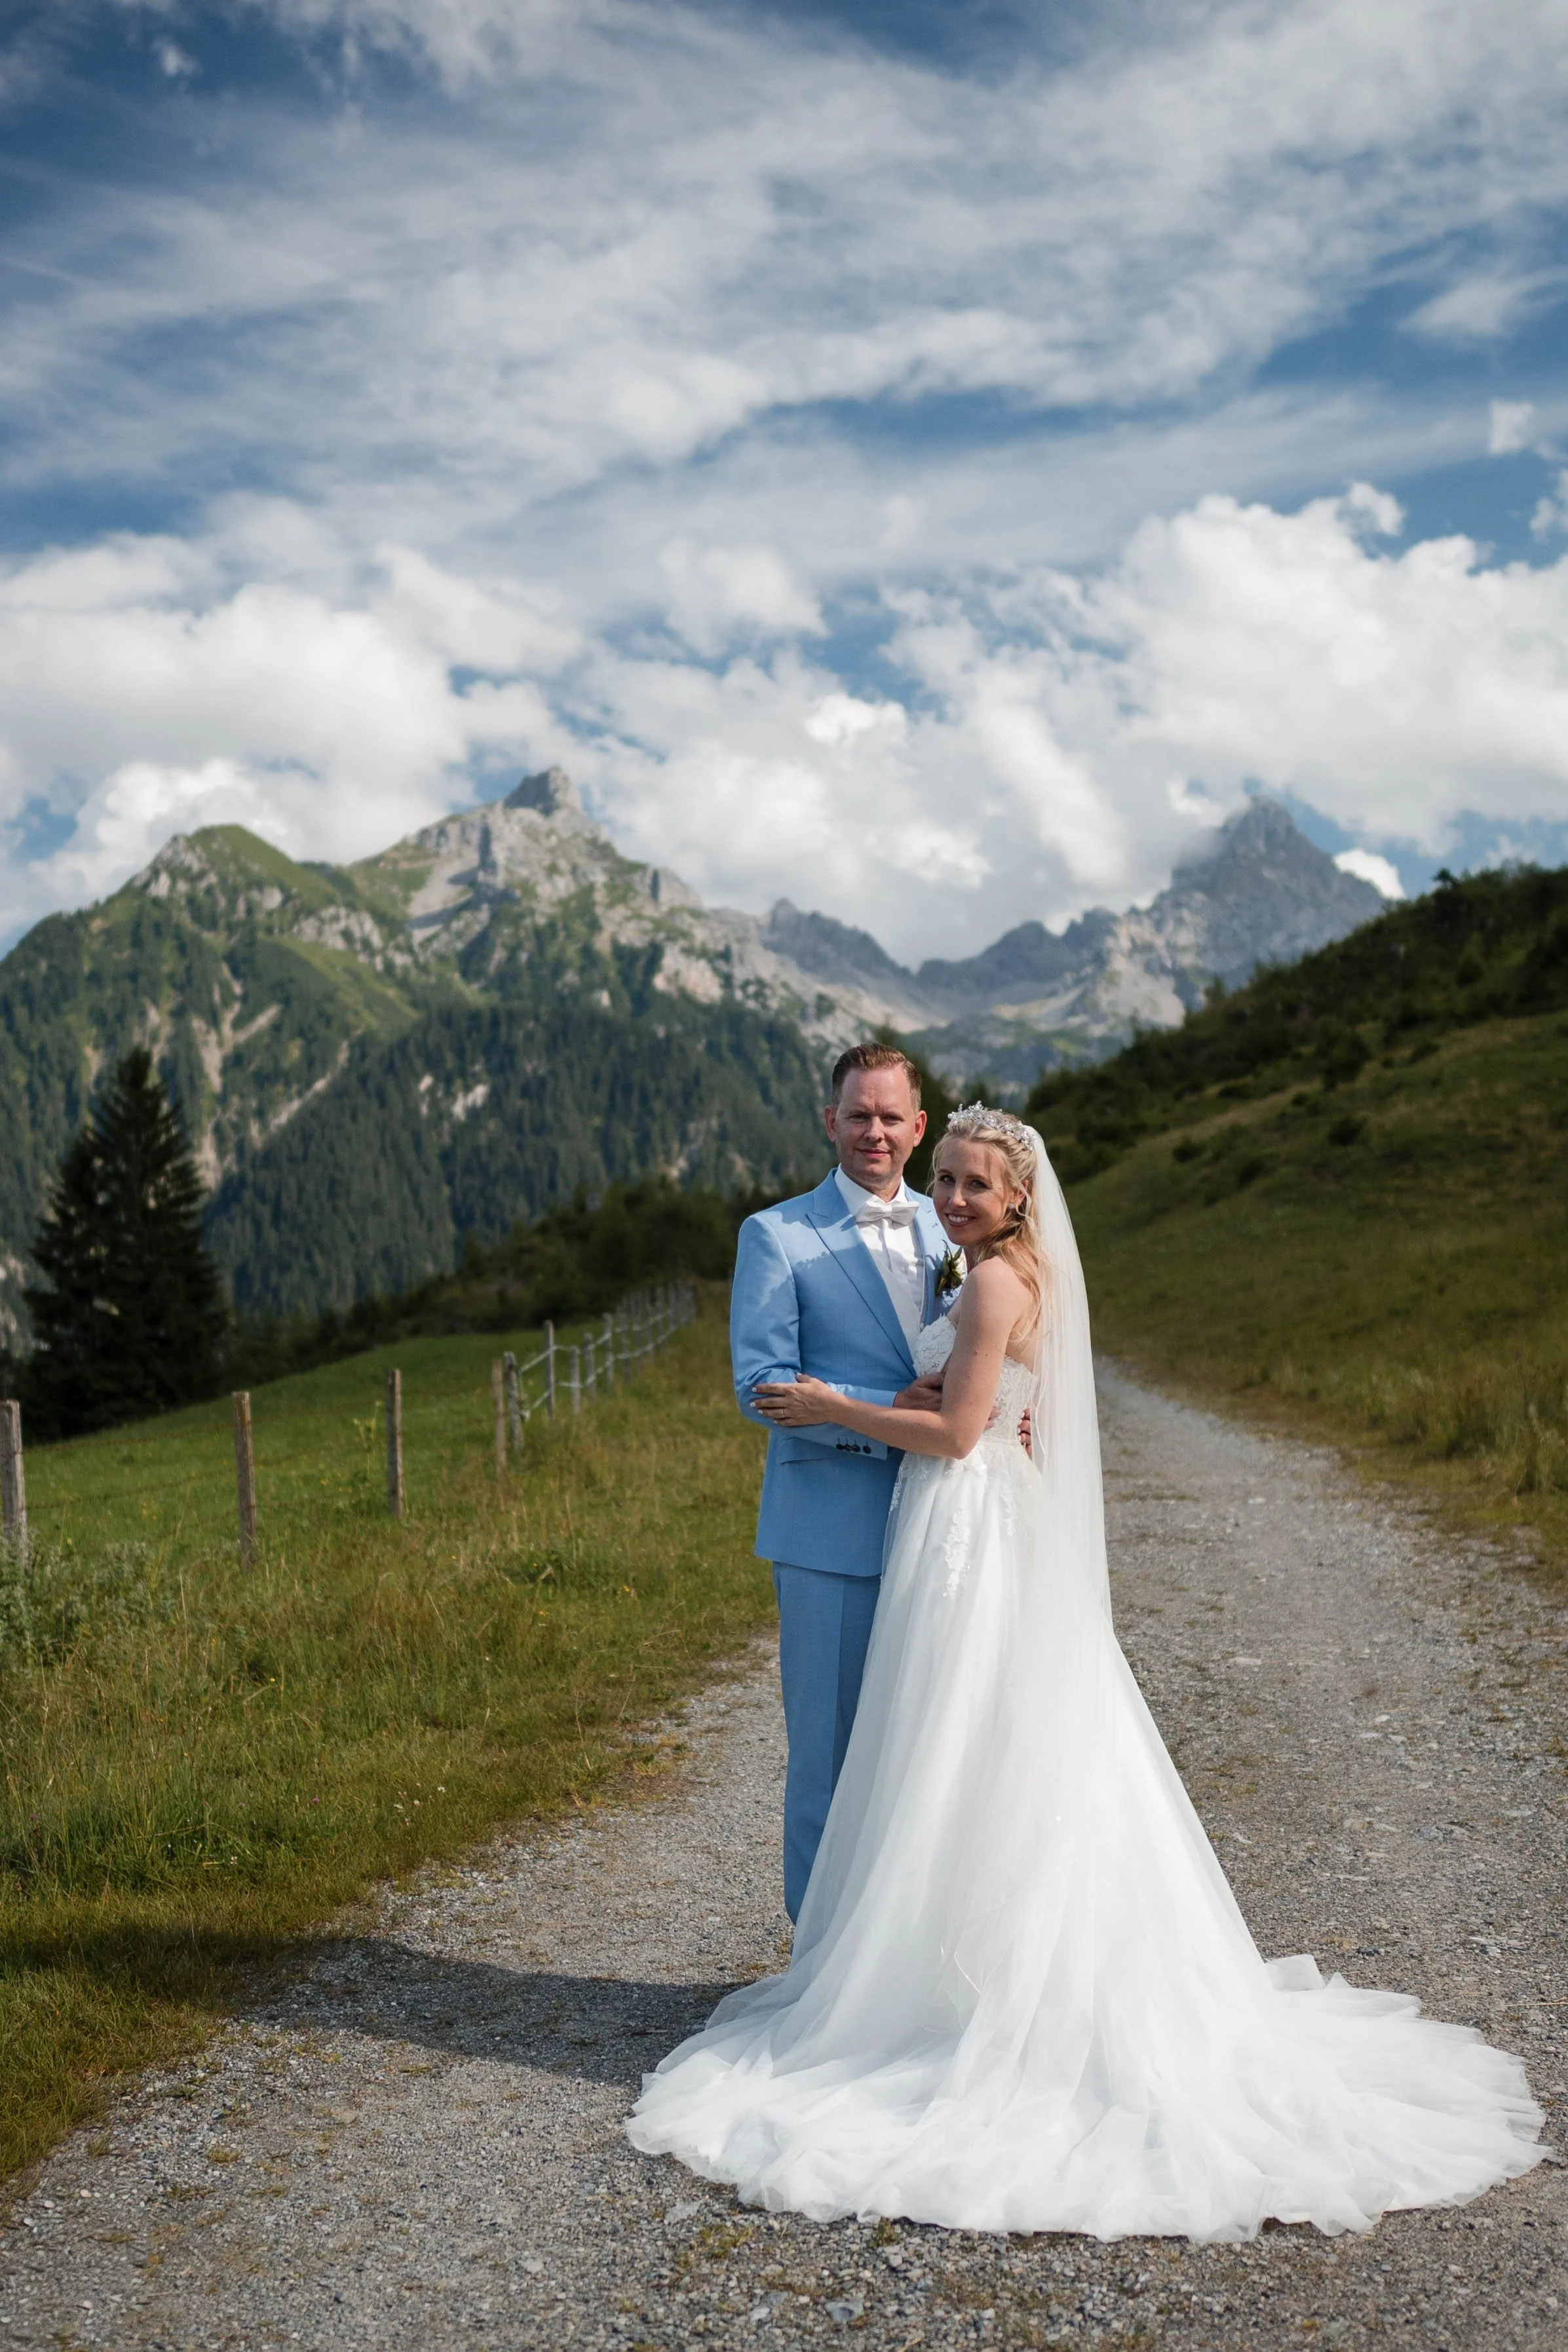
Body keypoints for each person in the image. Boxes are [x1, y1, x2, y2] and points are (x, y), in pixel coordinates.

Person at [627, 1104, 1543, 2241]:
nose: (953, 1199)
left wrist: (835, 1406)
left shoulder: (998, 1283)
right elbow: (985, 1405)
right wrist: (926, 1400)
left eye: (974, 1185)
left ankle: (973, 1991)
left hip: (968, 1530)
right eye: (947, 1179)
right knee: (960, 1749)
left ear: (1018, 1199)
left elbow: (964, 1436)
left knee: (966, 1744)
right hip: (963, 1526)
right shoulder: (991, 1276)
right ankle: (946, 1966)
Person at [726, 1041, 950, 1923]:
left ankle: (896, 1961)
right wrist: (882, 1408)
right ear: (831, 1121)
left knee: (925, 1754)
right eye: (858, 1114)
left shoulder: (953, 1226)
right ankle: (817, 1967)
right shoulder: (775, 1234)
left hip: (941, 1522)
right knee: (827, 1754)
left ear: (919, 1127)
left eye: (891, 1116)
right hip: (828, 1531)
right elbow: (762, 1388)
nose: (874, 1132)